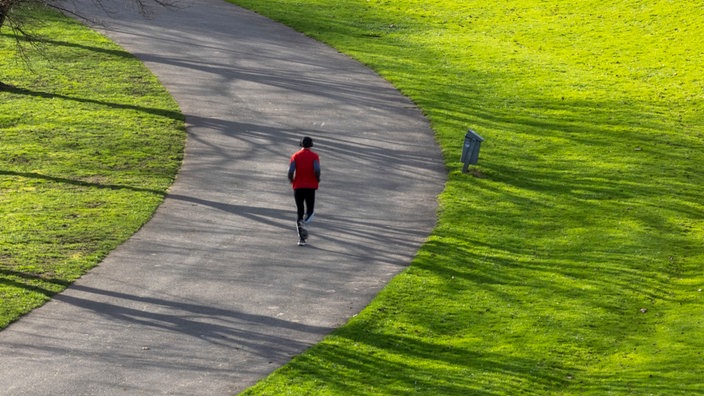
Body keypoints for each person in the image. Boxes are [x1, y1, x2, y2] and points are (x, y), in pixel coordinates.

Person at [288, 136, 320, 246]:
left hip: (298, 187)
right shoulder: (314, 156)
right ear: (311, 145)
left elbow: (291, 171)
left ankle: (301, 240)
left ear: (300, 144)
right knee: (310, 211)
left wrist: (292, 181)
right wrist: (317, 179)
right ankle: (305, 223)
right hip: (310, 187)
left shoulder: (295, 156)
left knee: (300, 211)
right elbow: (317, 169)